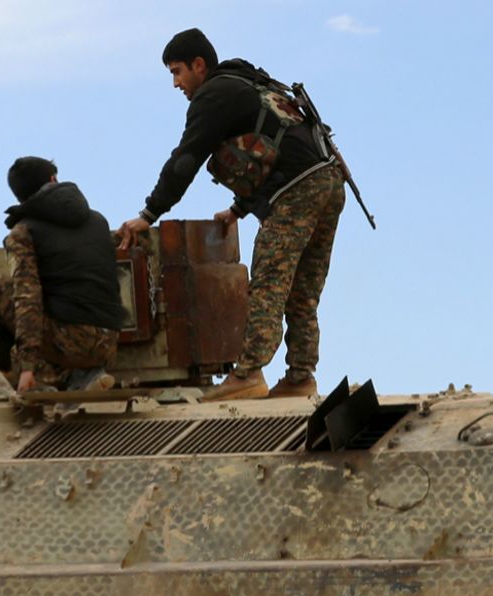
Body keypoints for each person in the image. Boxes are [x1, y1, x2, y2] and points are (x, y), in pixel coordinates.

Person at [116, 28, 345, 401]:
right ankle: (301, 377)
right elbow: (270, 147)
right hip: (327, 182)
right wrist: (239, 209)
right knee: (303, 291)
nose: (176, 83)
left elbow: (185, 160)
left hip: (296, 191)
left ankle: (249, 373)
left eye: (178, 72)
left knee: (269, 282)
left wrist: (149, 212)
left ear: (199, 65)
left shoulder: (213, 96)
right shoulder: (246, 83)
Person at [0, 157, 129, 394]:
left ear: (19, 196)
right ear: (53, 179)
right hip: (108, 344)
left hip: (68, 343)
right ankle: (75, 374)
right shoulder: (98, 221)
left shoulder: (23, 232)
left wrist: (27, 365)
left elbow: (27, 298)